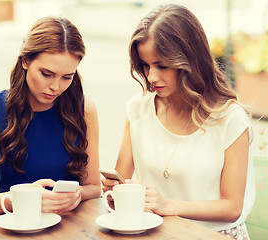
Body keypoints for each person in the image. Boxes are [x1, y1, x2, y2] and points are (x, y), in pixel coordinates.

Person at [102, 4, 255, 240]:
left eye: (162, 65)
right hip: (155, 232)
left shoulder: (230, 118)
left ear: (190, 61)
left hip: (214, 235)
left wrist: (168, 205)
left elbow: (232, 207)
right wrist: (116, 193)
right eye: (145, 65)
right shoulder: (138, 108)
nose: (152, 76)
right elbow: (120, 181)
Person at [0, 17, 101, 216]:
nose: (56, 87)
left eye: (67, 77)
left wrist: (74, 195)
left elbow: (94, 187)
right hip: (16, 228)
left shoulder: (84, 109)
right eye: (47, 74)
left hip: (71, 226)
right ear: (25, 60)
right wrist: (25, 199)